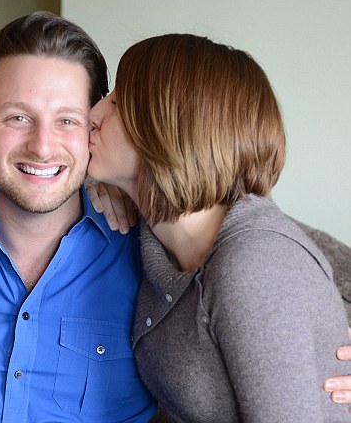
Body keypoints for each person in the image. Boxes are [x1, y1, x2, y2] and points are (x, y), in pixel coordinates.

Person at [0, 12, 156, 422]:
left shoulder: (148, 253)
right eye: (18, 118)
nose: (42, 147)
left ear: (93, 129)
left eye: (67, 121)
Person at [87, 33, 349, 421]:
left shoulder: (255, 265)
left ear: (173, 128)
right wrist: (88, 182)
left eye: (117, 103)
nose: (92, 114)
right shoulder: (161, 242)